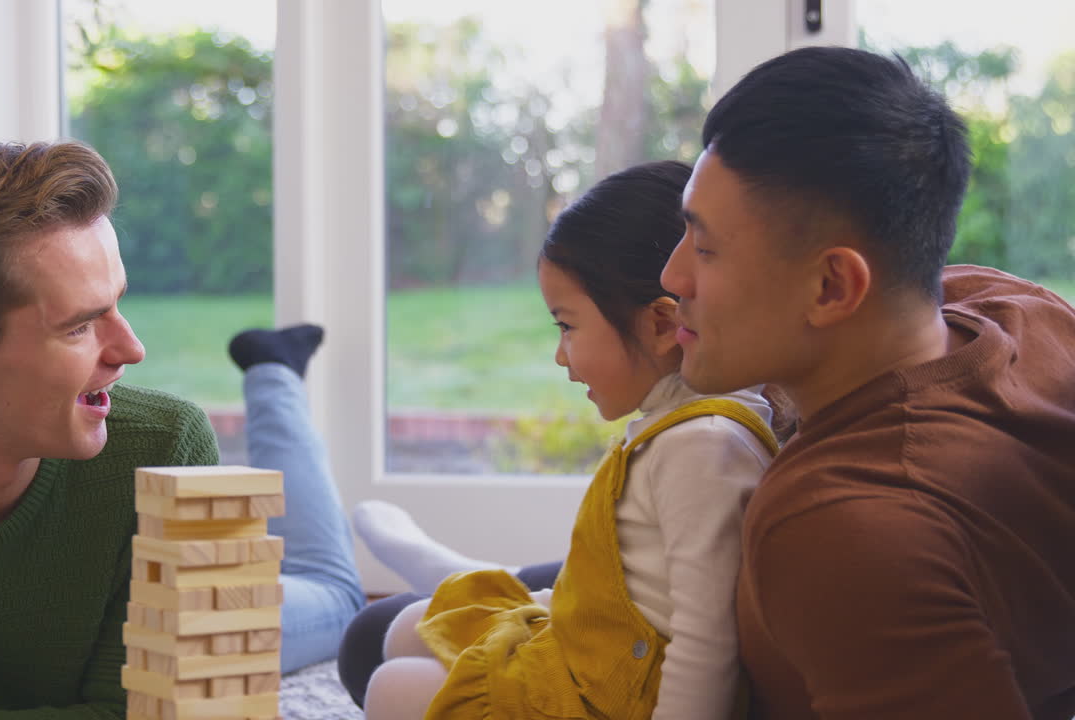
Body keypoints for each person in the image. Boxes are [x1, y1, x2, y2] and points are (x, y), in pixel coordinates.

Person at [0, 140, 363, 719]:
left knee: (337, 600)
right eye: (79, 326)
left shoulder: (163, 447)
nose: (132, 349)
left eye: (116, 304)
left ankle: (274, 372)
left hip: (199, 608)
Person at [657, 46, 1075, 719]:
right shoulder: (1010, 305)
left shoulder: (845, 529)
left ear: (832, 286)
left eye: (705, 249)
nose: (673, 278)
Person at [350, 161, 780, 720]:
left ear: (658, 325)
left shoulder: (703, 449)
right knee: (408, 626)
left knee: (390, 688)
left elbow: (706, 641)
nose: (561, 355)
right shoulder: (678, 422)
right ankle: (461, 581)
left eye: (567, 326)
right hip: (586, 642)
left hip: (607, 694)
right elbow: (621, 591)